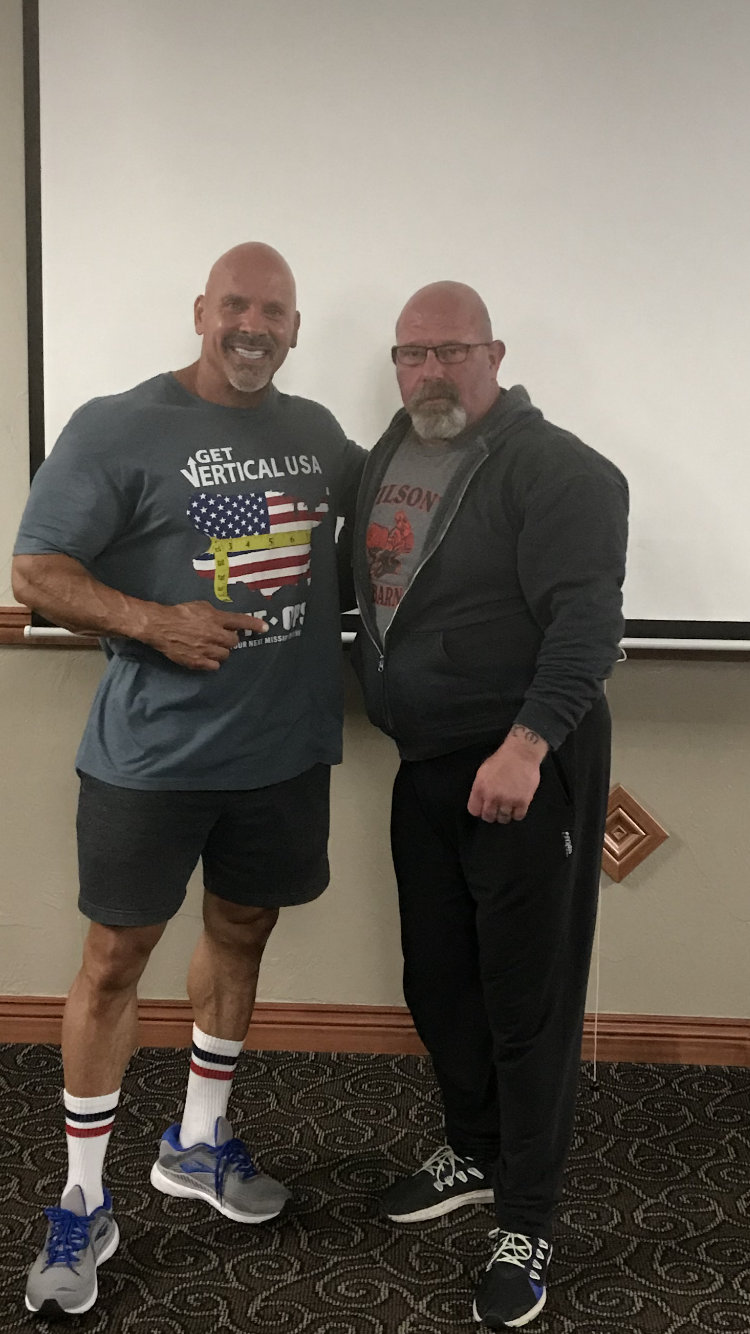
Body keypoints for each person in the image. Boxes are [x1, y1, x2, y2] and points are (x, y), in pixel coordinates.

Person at [13, 242, 365, 1318]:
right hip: (152, 759)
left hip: (283, 751)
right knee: (114, 959)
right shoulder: (117, 425)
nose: (254, 325)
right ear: (202, 312)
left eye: (275, 311)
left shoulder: (316, 438)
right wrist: (151, 618)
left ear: (295, 330)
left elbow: (402, 517)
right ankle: (81, 1199)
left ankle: (198, 1139)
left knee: (244, 930)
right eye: (236, 305)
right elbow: (35, 568)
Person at [350, 281, 628, 1329]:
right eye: (410, 355)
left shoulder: (562, 470)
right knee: (439, 981)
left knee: (529, 1000)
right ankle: (471, 1145)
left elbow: (586, 624)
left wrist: (526, 742)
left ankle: (529, 1214)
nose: (428, 373)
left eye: (450, 352)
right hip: (426, 764)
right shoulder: (388, 452)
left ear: (494, 351)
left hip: (521, 764)